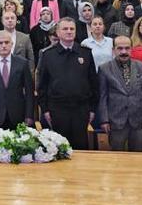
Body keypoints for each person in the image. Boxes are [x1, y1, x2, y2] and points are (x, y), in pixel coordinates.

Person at [37, 17, 99, 150]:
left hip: (81, 108)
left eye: (72, 29)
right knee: (59, 148)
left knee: (81, 147)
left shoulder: (85, 53)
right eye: (65, 29)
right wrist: (45, 109)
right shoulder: (48, 55)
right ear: (58, 33)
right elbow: (42, 85)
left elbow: (94, 82)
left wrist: (92, 108)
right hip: (57, 109)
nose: (69, 31)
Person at [98, 36, 142, 151]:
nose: (124, 52)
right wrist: (104, 120)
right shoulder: (104, 68)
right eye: (120, 48)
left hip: (138, 121)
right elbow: (102, 96)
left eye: (127, 48)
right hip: (115, 121)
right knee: (117, 159)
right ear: (113, 50)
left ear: (131, 49)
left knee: (139, 157)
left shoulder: (141, 67)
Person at [0, 10, 35, 77]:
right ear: (2, 21)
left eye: (12, 18)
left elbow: (31, 59)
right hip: (0, 74)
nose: (10, 20)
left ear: (16, 21)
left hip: (20, 75)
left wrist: (29, 75)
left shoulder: (25, 38)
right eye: (7, 18)